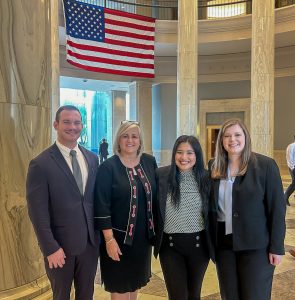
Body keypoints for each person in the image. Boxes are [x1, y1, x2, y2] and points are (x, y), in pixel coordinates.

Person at [26, 105, 99, 300]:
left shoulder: (92, 159)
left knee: (87, 294)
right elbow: (37, 212)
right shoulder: (40, 164)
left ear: (82, 126)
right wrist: (50, 247)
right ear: (56, 125)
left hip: (90, 246)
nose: (72, 127)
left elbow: (93, 202)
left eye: (77, 122)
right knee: (61, 296)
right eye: (66, 122)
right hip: (60, 248)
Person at [209, 118, 286, 300]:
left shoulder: (265, 166)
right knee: (230, 296)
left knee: (255, 295)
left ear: (246, 137)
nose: (232, 139)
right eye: (227, 136)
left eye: (237, 134)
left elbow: (277, 209)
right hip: (224, 246)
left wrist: (277, 247)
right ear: (221, 140)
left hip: (256, 246)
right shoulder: (214, 166)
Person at [94, 120, 157, 300]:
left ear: (140, 140)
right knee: (120, 287)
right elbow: (101, 204)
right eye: (125, 136)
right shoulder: (108, 167)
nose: (130, 140)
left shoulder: (149, 162)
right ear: (118, 140)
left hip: (142, 240)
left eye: (134, 136)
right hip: (117, 240)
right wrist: (109, 240)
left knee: (135, 283)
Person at [154, 135, 214, 300]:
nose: (184, 157)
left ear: (197, 155)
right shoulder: (161, 175)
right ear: (174, 154)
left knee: (194, 294)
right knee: (177, 296)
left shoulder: (208, 179)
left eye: (190, 153)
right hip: (170, 247)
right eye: (179, 152)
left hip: (199, 247)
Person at [285, 135, 295, 206]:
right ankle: (285, 197)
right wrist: (293, 168)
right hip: (293, 167)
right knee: (294, 183)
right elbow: (289, 158)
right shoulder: (291, 146)